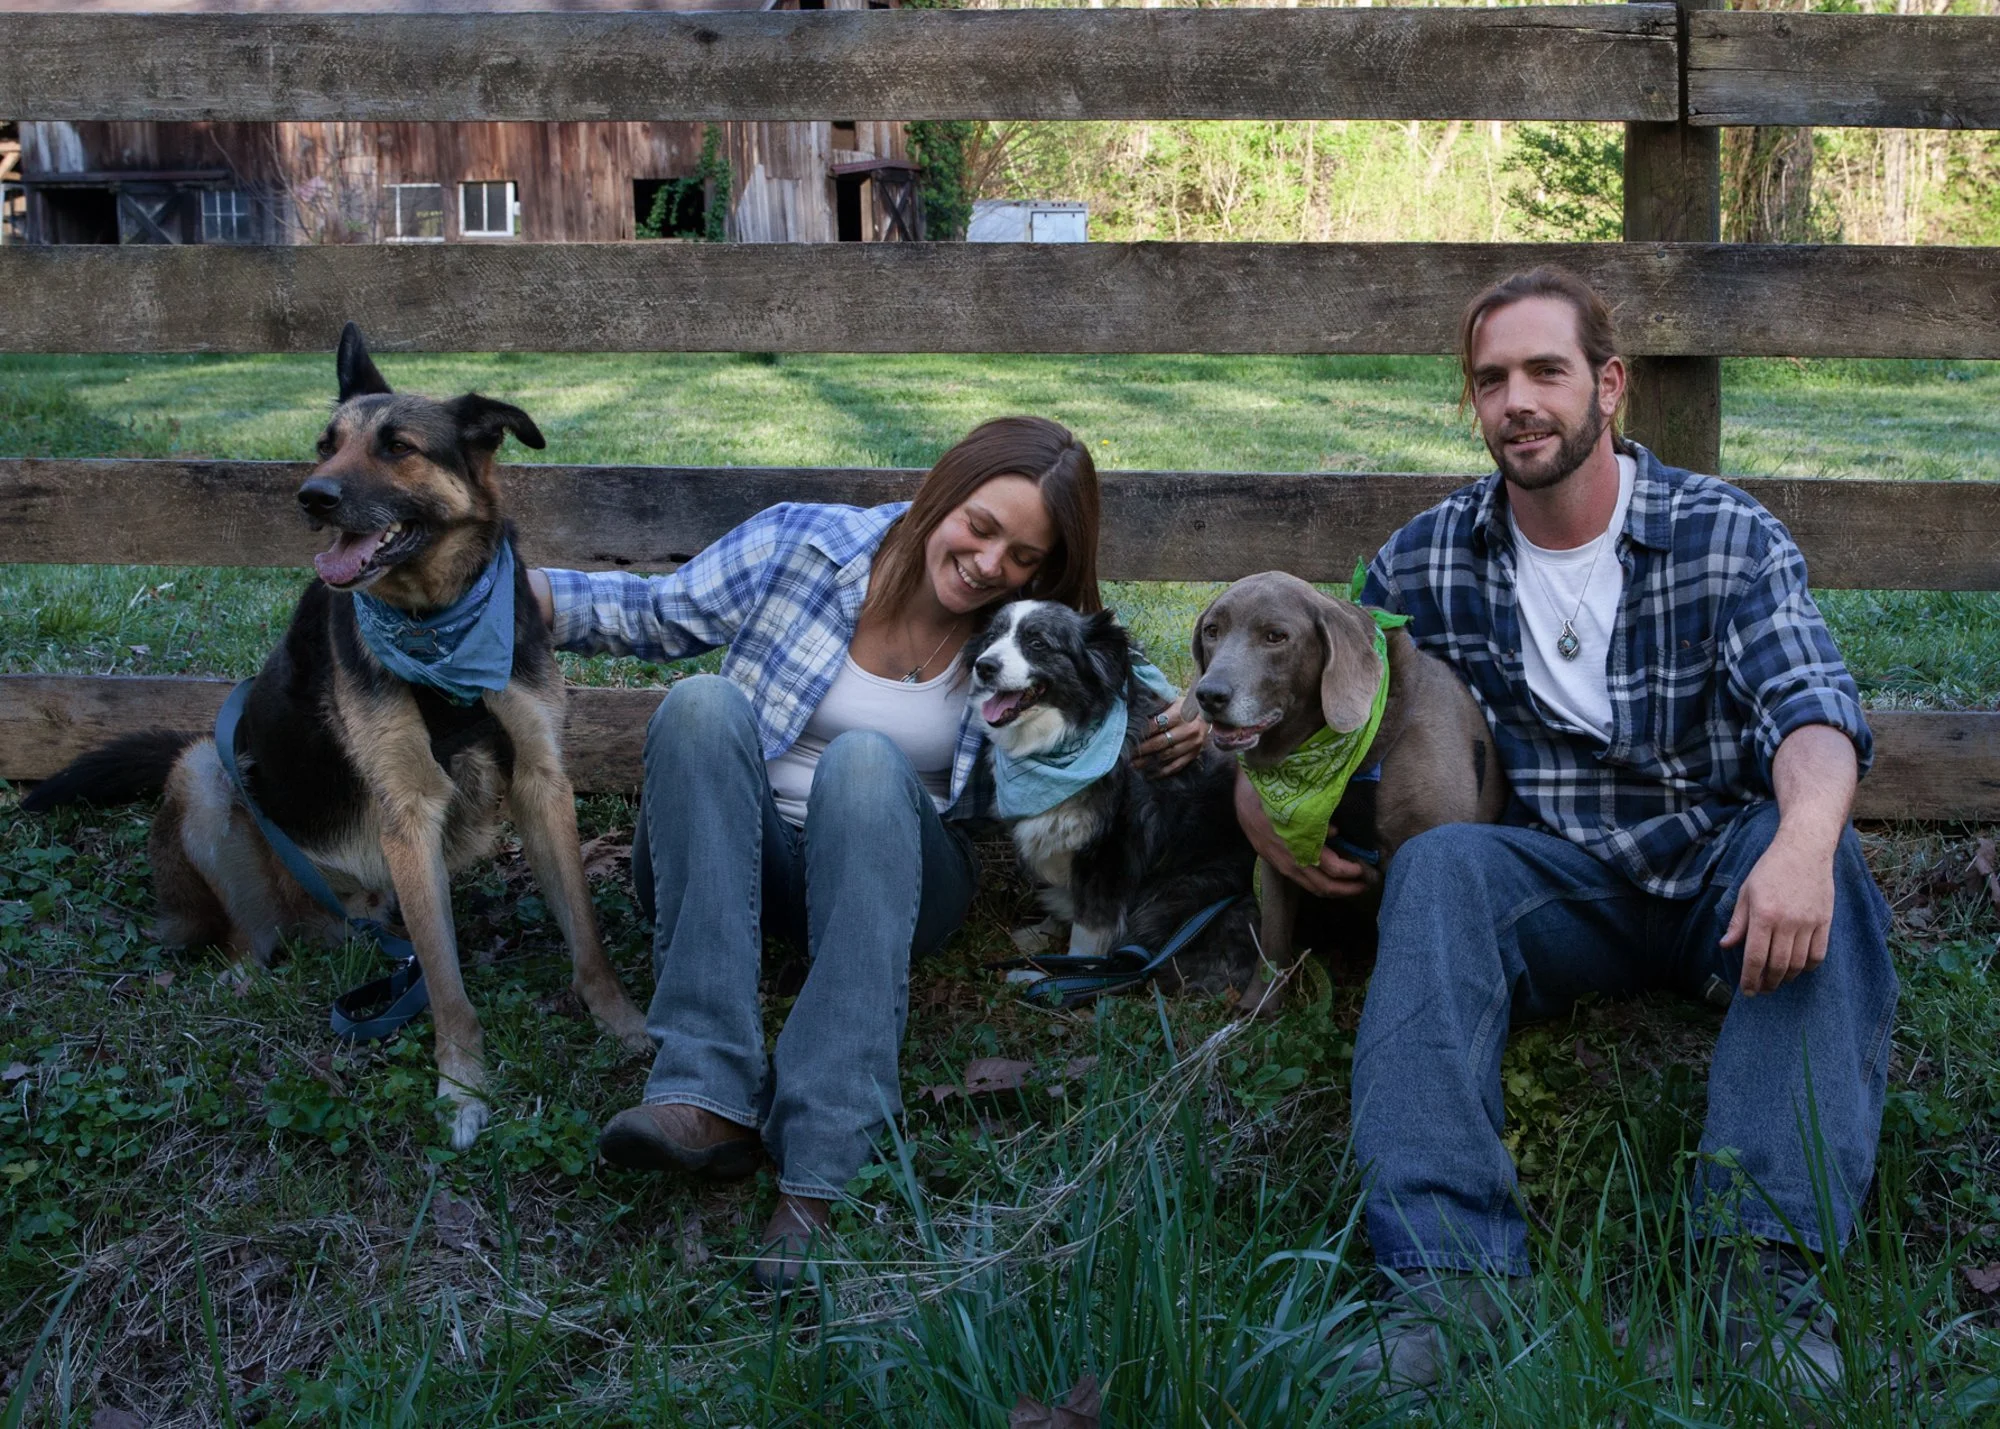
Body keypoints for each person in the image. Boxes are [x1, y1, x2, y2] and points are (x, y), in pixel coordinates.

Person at [1235, 269, 1895, 1393]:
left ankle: (1759, 1290)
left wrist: (1798, 844)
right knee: (1439, 866)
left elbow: (1812, 710)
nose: (1518, 402)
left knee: (1823, 854)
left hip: (1718, 860)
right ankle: (1447, 1285)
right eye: (1491, 380)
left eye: (1545, 370)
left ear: (1609, 384)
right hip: (1552, 882)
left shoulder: (1721, 533)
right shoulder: (1426, 558)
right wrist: (1255, 798)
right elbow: (1324, 693)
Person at [526, 416, 1208, 1290]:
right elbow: (654, 612)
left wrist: (1189, 717)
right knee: (700, 704)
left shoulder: (1022, 631)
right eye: (980, 526)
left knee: (864, 761)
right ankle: (701, 1095)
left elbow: (1139, 685)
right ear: (942, 491)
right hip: (735, 859)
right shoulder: (807, 545)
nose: (989, 563)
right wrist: (511, 591)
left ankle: (826, 1153)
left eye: (1022, 556)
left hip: (894, 875)